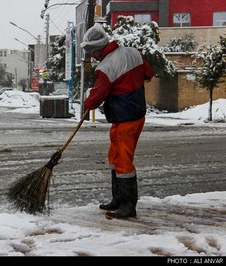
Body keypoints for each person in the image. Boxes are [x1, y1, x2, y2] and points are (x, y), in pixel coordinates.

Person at [81, 23, 154, 220]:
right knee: (115, 157)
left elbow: (96, 97)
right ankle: (118, 199)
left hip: (125, 119)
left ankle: (128, 205)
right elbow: (148, 73)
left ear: (98, 49)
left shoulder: (105, 67)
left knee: (123, 161)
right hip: (133, 115)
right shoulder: (133, 53)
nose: (92, 57)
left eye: (91, 52)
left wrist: (88, 102)